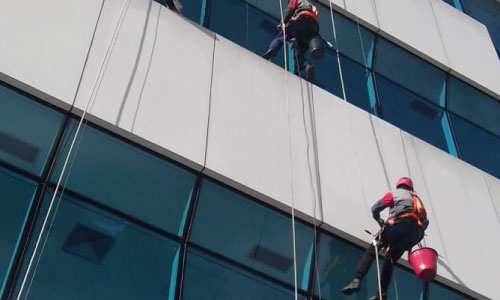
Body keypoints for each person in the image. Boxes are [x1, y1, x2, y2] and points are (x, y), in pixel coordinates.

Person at [341, 177, 429, 300]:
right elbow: (425, 221)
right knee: (390, 260)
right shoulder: (416, 199)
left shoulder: (394, 194)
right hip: (414, 233)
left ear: (398, 186)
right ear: (411, 188)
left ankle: (357, 280)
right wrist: (413, 231)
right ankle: (381, 293)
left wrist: (379, 220)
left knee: (372, 250)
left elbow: (375, 209)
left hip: (398, 226)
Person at [262, 0, 320, 81]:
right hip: (312, 26)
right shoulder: (311, 5)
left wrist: (283, 22)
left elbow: (290, 9)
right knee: (299, 52)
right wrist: (296, 37)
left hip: (301, 19)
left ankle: (272, 50)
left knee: (282, 36)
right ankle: (307, 65)